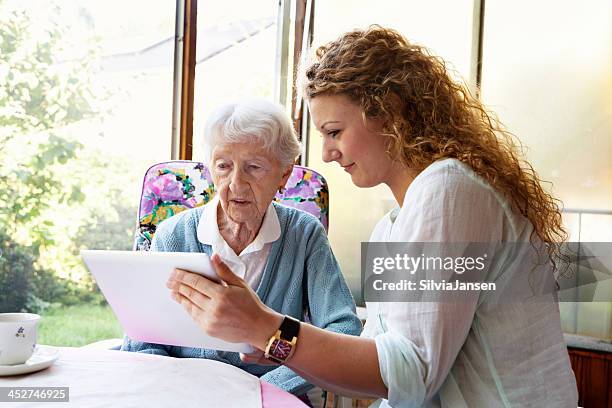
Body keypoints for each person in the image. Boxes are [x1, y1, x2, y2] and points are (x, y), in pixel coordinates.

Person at [166, 26, 579, 407]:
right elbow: (370, 370)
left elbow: (411, 371)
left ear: (389, 111)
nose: (326, 154)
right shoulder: (394, 225)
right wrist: (270, 339)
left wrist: (267, 327)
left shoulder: (450, 191)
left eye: (333, 131)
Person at [121, 98, 362, 398]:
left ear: (284, 175)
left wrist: (266, 389)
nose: (236, 183)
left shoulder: (304, 235)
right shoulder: (173, 235)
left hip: (271, 397)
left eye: (254, 167)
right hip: (184, 395)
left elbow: (343, 328)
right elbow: (144, 339)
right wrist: (176, 391)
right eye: (223, 166)